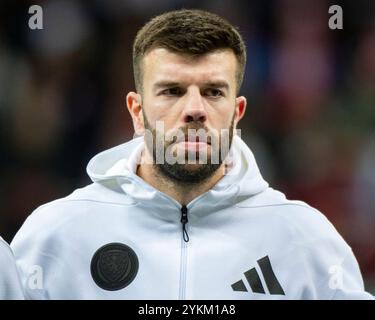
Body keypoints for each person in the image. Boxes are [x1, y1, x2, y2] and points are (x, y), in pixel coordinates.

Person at [11, 9, 373, 299]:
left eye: (214, 92)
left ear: (237, 112)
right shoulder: (56, 234)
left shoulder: (304, 240)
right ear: (137, 111)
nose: (194, 109)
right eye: (171, 91)